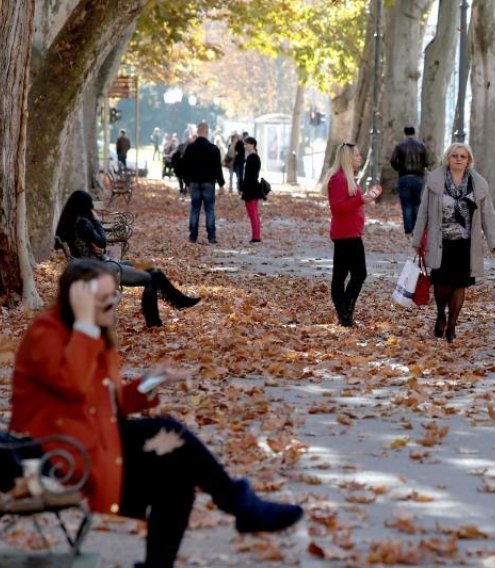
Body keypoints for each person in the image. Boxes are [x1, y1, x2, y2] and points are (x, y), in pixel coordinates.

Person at [10, 260, 303, 568]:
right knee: (168, 432)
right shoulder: (48, 334)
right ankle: (240, 504)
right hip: (52, 457)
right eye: (106, 298)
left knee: (176, 478)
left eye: (116, 296)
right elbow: (71, 386)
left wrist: (148, 384)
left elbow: (101, 401)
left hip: (88, 446)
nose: (115, 304)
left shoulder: (91, 333)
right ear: (79, 301)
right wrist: (84, 325)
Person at [55, 190, 201, 328]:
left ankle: (179, 301)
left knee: (149, 266)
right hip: (103, 267)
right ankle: (154, 320)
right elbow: (102, 242)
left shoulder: (72, 221)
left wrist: (97, 243)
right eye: (90, 205)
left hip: (102, 263)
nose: (92, 208)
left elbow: (97, 244)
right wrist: (96, 221)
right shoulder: (83, 223)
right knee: (149, 278)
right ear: (85, 206)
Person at [411, 143, 495, 342]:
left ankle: (452, 325)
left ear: (469, 160)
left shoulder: (478, 184)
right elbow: (424, 212)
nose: (459, 159)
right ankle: (441, 315)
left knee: (460, 285)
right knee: (442, 285)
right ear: (448, 158)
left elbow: (488, 214)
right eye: (454, 155)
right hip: (440, 242)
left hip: (465, 244)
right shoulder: (435, 182)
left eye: (463, 156)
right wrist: (417, 239)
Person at [322, 143, 381, 327]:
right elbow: (338, 207)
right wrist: (360, 200)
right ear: (348, 158)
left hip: (350, 231)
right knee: (358, 273)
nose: (360, 158)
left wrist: (362, 200)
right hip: (346, 233)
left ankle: (344, 314)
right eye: (356, 155)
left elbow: (350, 202)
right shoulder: (338, 179)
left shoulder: (348, 178)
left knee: (343, 274)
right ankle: (345, 311)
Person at [181, 122, 226, 244]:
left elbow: (184, 166)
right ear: (207, 132)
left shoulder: (190, 148)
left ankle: (193, 236)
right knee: (209, 209)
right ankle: (211, 236)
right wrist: (221, 184)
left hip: (194, 182)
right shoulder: (213, 149)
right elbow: (218, 168)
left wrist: (187, 182)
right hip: (209, 183)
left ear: (197, 132)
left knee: (195, 208)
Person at [390, 126, 430, 237]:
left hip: (404, 177)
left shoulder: (399, 146)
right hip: (417, 178)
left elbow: (393, 160)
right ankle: (417, 229)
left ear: (405, 133)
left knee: (406, 205)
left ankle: (408, 231)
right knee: (417, 204)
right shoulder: (421, 146)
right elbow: (427, 162)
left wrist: (400, 168)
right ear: (414, 133)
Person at [240, 136, 263, 243]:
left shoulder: (251, 158)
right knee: (254, 212)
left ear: (252, 145)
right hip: (254, 186)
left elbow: (247, 175)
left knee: (252, 212)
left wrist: (243, 187)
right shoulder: (255, 157)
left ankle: (256, 236)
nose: (245, 146)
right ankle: (256, 235)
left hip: (250, 187)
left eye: (247, 144)